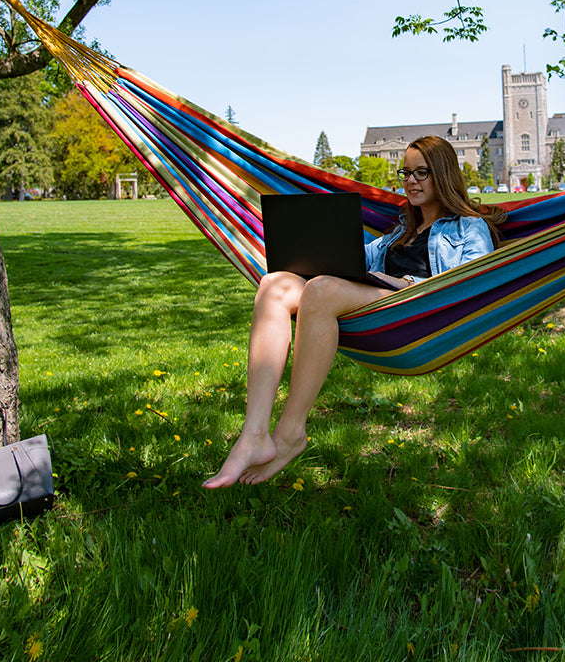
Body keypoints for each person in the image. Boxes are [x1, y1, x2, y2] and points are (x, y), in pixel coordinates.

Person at [203, 135, 505, 488]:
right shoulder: (398, 233)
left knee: (320, 290)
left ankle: (290, 433)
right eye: (405, 172)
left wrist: (403, 283)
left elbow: (469, 285)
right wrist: (315, 247)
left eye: (421, 173)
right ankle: (253, 434)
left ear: (443, 174)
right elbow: (353, 258)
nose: (410, 181)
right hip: (371, 304)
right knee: (274, 284)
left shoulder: (469, 228)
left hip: (416, 314)